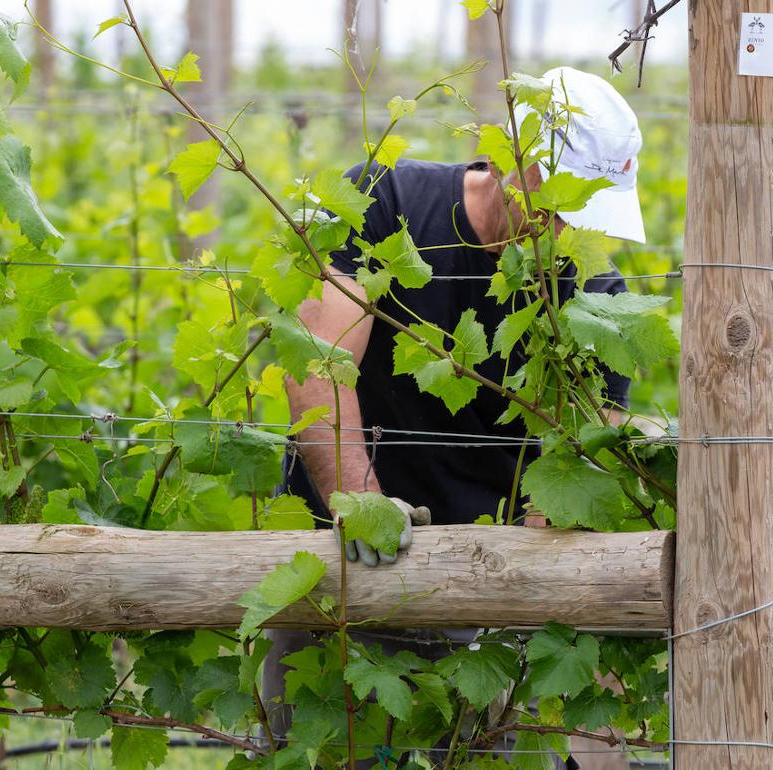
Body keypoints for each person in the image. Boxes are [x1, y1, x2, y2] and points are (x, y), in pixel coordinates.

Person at [263, 66, 647, 769]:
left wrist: (508, 600)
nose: (562, 233)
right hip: (342, 581)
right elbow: (316, 364)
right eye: (555, 207)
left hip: (491, 602)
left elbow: (576, 473)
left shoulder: (597, 297)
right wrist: (359, 503)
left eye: (582, 218)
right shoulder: (387, 201)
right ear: (510, 160)